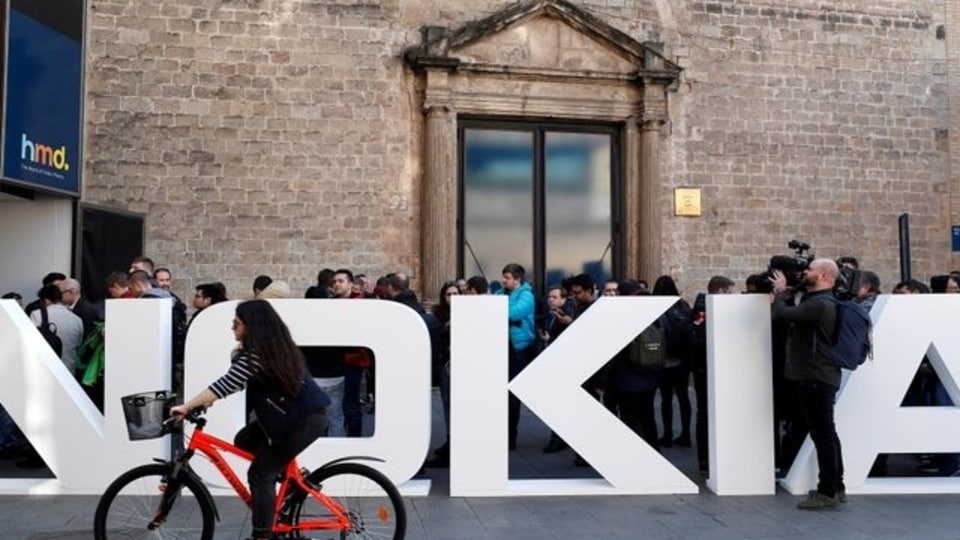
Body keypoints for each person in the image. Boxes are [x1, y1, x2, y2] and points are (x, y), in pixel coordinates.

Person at [170, 300, 329, 540]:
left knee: (260, 473)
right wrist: (205, 402)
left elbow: (225, 384)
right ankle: (292, 480)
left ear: (252, 326)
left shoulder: (258, 355)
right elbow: (234, 383)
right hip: (294, 416)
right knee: (244, 439)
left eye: (237, 322)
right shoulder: (271, 349)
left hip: (302, 420)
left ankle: (263, 535)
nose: (232, 327)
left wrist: (186, 406)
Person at [771, 259, 845, 509]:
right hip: (820, 376)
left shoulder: (820, 304)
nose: (805, 272)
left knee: (822, 435)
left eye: (811, 270)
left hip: (816, 378)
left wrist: (780, 291)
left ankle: (827, 492)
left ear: (825, 276)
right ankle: (837, 486)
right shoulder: (822, 302)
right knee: (827, 433)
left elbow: (781, 315)